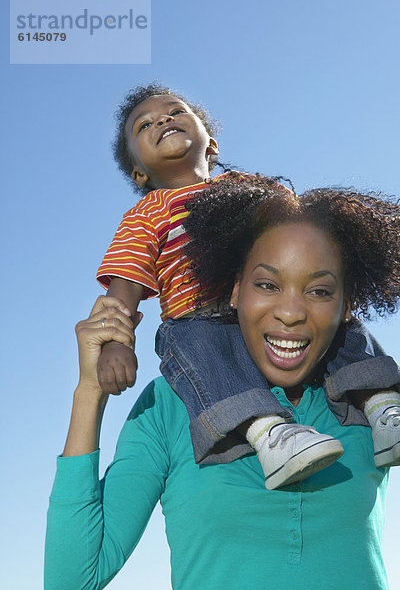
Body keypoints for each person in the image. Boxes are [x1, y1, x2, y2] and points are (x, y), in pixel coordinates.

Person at [45, 180, 400, 589]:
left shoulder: (372, 403)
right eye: (267, 284)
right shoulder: (170, 404)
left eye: (319, 291)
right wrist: (88, 393)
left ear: (347, 305)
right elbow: (72, 580)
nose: (290, 312)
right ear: (235, 292)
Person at [95, 84, 400, 489]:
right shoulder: (146, 215)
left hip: (270, 300)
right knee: (196, 346)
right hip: (199, 317)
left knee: (340, 328)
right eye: (145, 125)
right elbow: (125, 283)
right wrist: (117, 343)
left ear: (211, 143)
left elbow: (301, 232)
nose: (164, 121)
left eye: (176, 112)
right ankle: (270, 435)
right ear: (139, 172)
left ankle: (383, 407)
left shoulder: (251, 186)